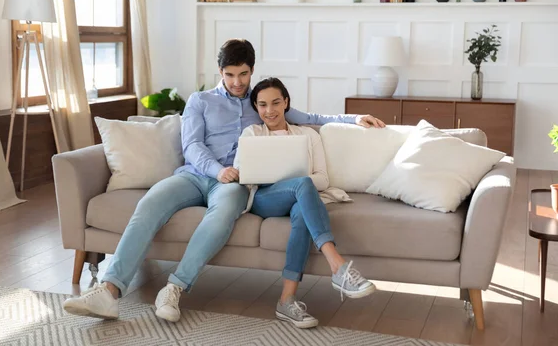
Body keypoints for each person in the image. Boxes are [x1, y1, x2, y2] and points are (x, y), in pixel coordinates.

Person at [62, 39, 385, 323]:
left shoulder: (261, 101)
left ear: (252, 70)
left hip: (235, 185)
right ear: (220, 72)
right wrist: (216, 169)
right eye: (230, 75)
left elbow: (312, 118)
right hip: (195, 174)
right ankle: (109, 290)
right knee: (148, 205)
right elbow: (192, 145)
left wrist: (354, 118)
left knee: (219, 219)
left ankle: (174, 288)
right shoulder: (200, 101)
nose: (237, 82)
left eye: (243, 74)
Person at [233, 77, 376, 329]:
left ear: (286, 102)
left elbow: (322, 178)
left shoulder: (308, 135)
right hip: (266, 199)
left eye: (276, 102)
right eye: (263, 105)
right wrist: (291, 182)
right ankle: (338, 266)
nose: (270, 110)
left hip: (301, 197)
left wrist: (297, 184)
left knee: (302, 209)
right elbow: (242, 175)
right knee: (302, 184)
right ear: (256, 107)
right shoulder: (251, 134)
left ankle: (286, 301)